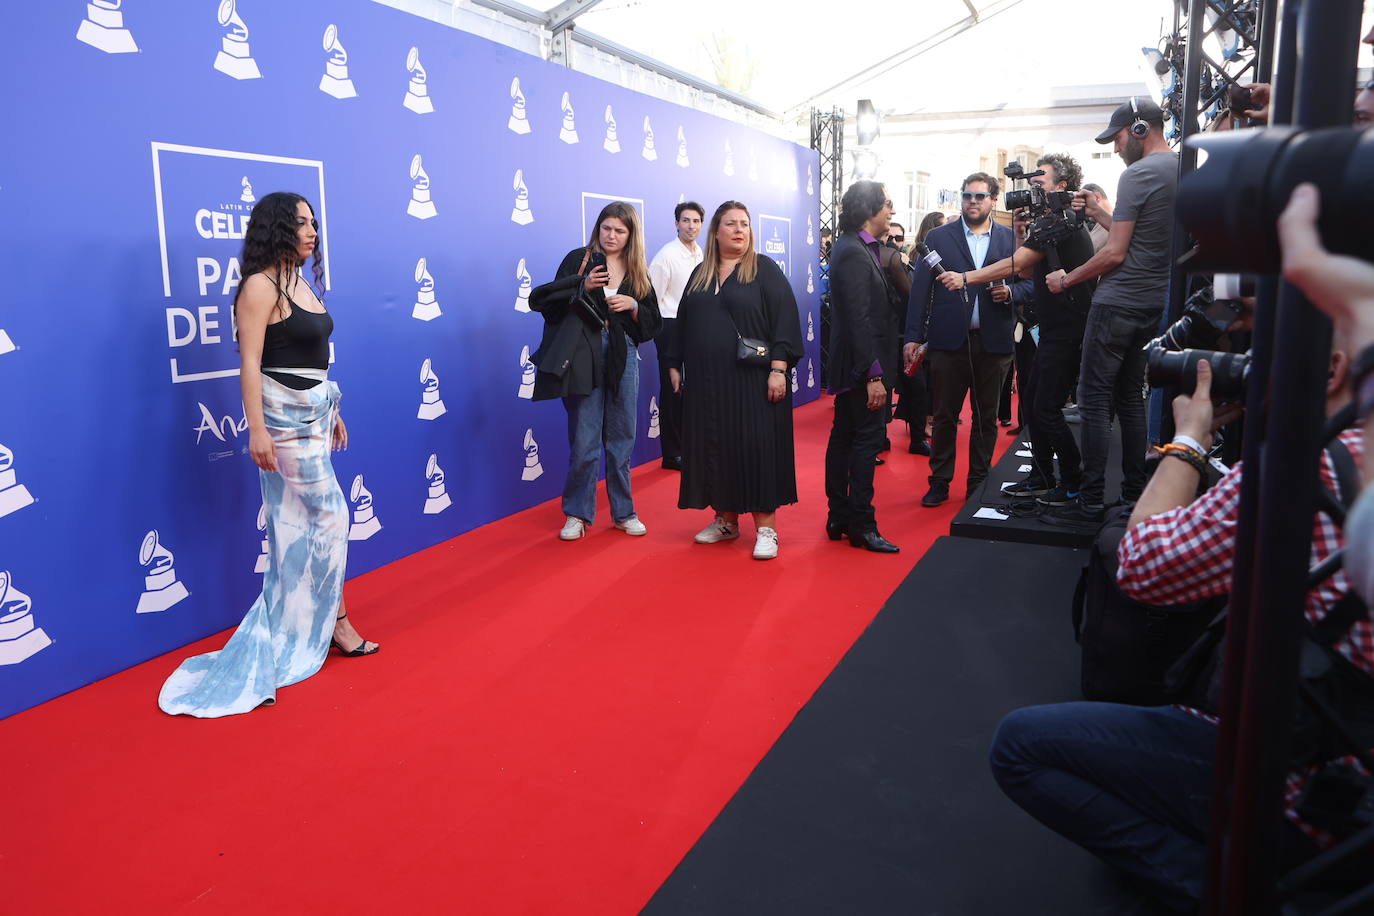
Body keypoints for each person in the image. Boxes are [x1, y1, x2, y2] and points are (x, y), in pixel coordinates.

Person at [990, 333, 1366, 910]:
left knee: (1021, 747)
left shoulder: (1306, 472)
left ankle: (1238, 892)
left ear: (1332, 368)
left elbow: (1139, 567)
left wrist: (1190, 440)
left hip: (1304, 791)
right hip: (1352, 787)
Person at [159, 192, 376, 718]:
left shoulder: (302, 282)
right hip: (281, 425)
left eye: (313, 224)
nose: (312, 233)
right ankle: (337, 624)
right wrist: (256, 429)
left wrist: (332, 412)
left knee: (301, 526)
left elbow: (312, 360)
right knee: (328, 517)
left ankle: (322, 623)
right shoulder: (259, 287)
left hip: (315, 417)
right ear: (276, 229)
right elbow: (250, 364)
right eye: (300, 224)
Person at [1043, 97, 1178, 528]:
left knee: (1094, 400)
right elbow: (1144, 238)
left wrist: (1066, 279)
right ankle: (1134, 494)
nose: (1116, 148)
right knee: (1131, 401)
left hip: (1117, 302)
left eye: (1118, 138)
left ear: (1139, 130)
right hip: (1153, 303)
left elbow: (1116, 254)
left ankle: (1089, 500)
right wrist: (1102, 212)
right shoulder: (1185, 168)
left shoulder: (1139, 173)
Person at [941, 152, 1097, 506]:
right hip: (1053, 327)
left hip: (1066, 329)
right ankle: (1042, 476)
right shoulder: (1052, 221)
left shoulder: (1062, 219)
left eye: (1039, 184)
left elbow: (1017, 264)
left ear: (1061, 186)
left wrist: (967, 277)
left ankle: (1071, 480)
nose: (1031, 192)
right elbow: (1028, 272)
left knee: (1045, 409)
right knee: (1032, 404)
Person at [668, 200, 803, 560]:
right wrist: (674, 362)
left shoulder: (764, 269)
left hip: (754, 381)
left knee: (757, 448)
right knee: (716, 445)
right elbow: (682, 322)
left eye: (745, 223)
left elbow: (785, 321)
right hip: (709, 384)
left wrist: (778, 369)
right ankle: (726, 520)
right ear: (716, 231)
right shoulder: (700, 273)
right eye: (732, 223)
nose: (740, 229)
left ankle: (767, 529)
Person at [528, 201, 662, 540]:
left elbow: (652, 325)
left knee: (621, 440)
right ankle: (577, 514)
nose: (612, 235)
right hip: (583, 354)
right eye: (606, 228)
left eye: (619, 230)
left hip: (624, 355)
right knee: (585, 440)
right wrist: (582, 287)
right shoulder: (579, 259)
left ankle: (624, 513)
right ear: (597, 228)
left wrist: (633, 306)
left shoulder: (637, 270)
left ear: (631, 235)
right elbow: (548, 306)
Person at [904, 172, 1025, 507]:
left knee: (986, 418)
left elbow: (1031, 285)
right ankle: (939, 481)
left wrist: (1011, 291)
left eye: (980, 196)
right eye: (968, 196)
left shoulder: (1011, 240)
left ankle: (979, 483)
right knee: (943, 415)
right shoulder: (939, 237)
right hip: (947, 341)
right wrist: (912, 337)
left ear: (993, 200)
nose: (973, 202)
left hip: (995, 340)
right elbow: (919, 293)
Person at [824, 180, 901, 553]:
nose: (891, 211)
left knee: (844, 437)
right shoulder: (854, 251)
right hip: (862, 366)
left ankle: (839, 516)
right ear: (870, 210)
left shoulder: (857, 247)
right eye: (886, 205)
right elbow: (858, 318)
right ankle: (861, 524)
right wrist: (873, 373)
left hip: (856, 362)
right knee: (863, 442)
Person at [648, 201, 705, 471]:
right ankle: (672, 454)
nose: (691, 226)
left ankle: (689, 447)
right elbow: (651, 298)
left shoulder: (701, 253)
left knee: (692, 390)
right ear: (676, 224)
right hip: (669, 326)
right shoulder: (666, 255)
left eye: (695, 221)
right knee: (673, 390)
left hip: (695, 327)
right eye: (685, 220)